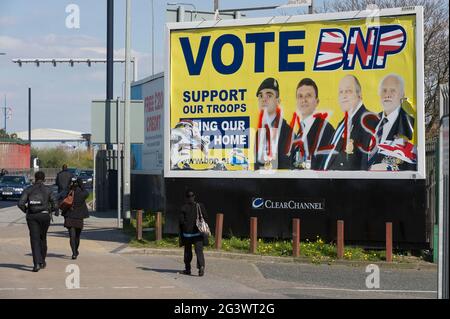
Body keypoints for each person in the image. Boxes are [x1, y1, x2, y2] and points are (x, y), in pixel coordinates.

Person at [322, 75, 378, 171]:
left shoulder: (369, 120)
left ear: (359, 94)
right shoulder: (342, 124)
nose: (344, 96)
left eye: (348, 91)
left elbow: (366, 165)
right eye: (341, 92)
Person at [368, 74, 416, 171]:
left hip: (393, 183)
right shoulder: (369, 122)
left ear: (402, 94)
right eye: (384, 90)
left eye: (393, 90)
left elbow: (410, 160)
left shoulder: (409, 124)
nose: (387, 94)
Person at [287, 78, 335, 170]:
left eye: (308, 96)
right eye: (300, 96)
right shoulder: (300, 130)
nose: (303, 100)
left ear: (317, 102)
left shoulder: (326, 130)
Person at [17, 171, 58, 272]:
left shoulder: (28, 189)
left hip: (32, 217)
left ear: (35, 178)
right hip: (44, 216)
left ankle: (36, 264)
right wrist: (49, 210)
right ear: (44, 179)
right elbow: (55, 205)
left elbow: (20, 203)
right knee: (42, 238)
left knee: (34, 240)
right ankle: (42, 261)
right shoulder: (48, 190)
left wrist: (27, 210)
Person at [254, 77, 291, 170]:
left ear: (278, 102)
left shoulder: (286, 131)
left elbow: (285, 169)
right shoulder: (259, 132)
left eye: (269, 96)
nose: (264, 99)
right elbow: (257, 167)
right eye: (260, 96)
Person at [179, 190, 208, 276]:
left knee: (187, 251)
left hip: (187, 234)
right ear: (194, 196)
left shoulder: (183, 208)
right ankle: (201, 267)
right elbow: (206, 217)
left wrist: (185, 227)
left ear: (186, 198)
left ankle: (188, 269)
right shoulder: (200, 206)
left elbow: (181, 221)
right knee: (199, 251)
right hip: (198, 233)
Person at [61, 177, 89, 259]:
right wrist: (81, 184)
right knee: (77, 236)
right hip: (79, 217)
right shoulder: (82, 193)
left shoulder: (68, 192)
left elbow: (61, 195)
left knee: (71, 236)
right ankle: (76, 250)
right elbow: (86, 193)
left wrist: (68, 184)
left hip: (69, 216)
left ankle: (73, 253)